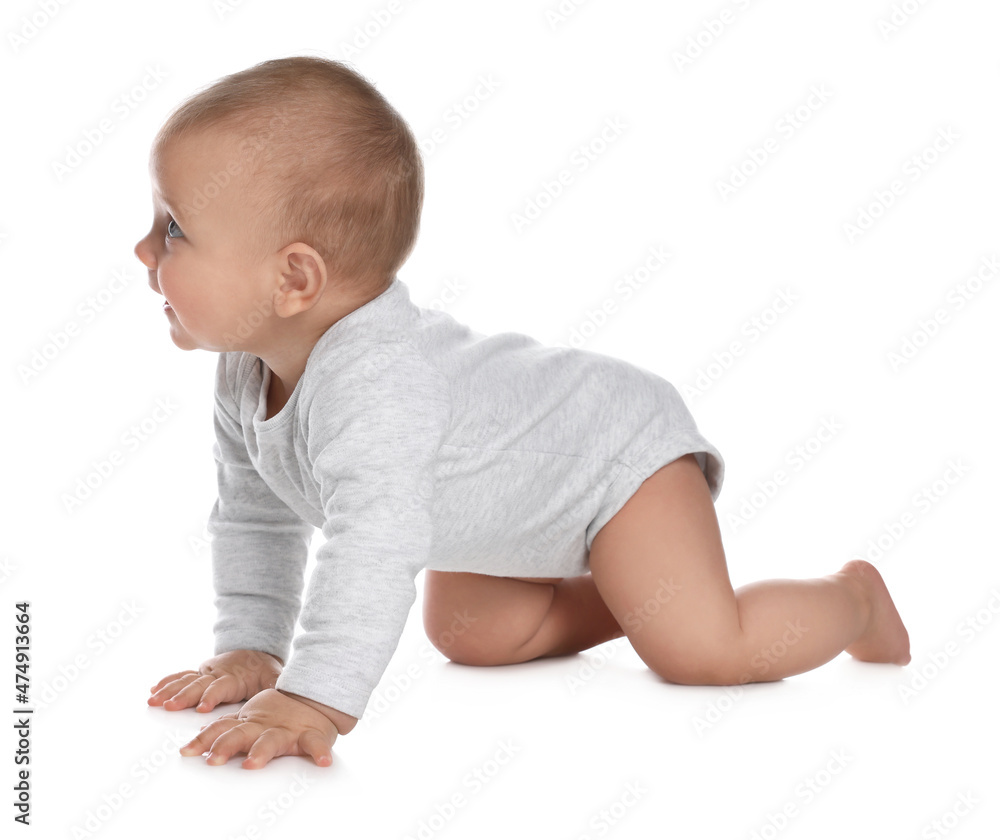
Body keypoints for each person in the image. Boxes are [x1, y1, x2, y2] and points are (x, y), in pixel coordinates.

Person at [137, 55, 910, 770]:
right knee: (476, 635)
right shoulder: (248, 365)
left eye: (174, 228)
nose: (144, 250)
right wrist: (251, 646)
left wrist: (314, 697)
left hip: (615, 455)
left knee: (702, 652)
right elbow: (255, 517)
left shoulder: (377, 387)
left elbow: (373, 546)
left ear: (294, 279)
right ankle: (640, 589)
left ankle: (854, 600)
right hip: (516, 506)